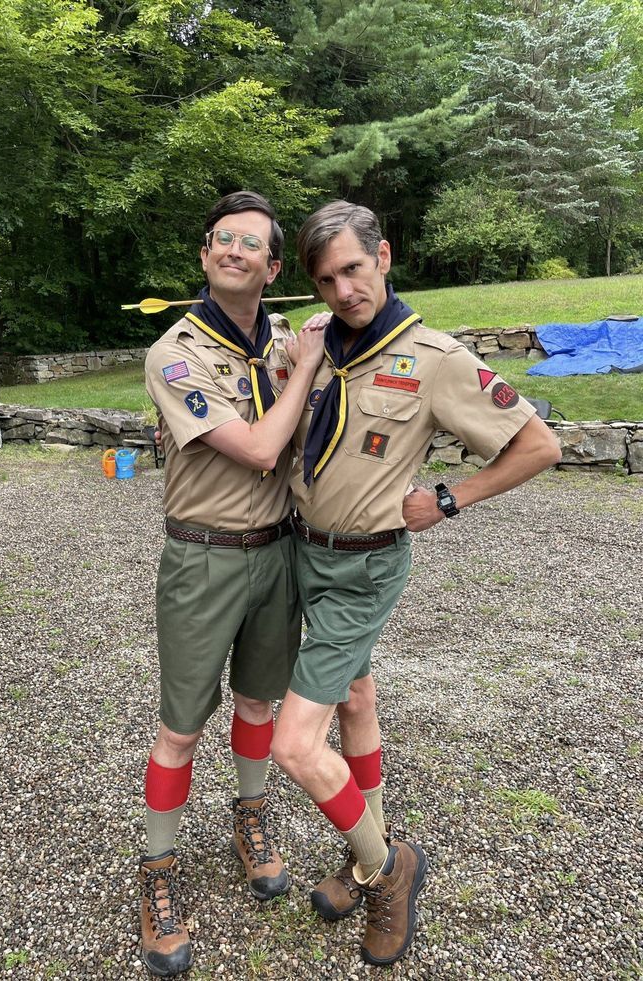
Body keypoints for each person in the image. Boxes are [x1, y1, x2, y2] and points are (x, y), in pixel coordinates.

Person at [270, 201, 562, 967]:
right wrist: (290, 366)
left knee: (295, 745)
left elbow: (539, 445)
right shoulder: (318, 349)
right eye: (327, 278)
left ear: (385, 256)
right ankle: (370, 841)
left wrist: (447, 498)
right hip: (306, 554)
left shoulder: (435, 357)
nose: (342, 290)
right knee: (355, 698)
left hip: (364, 567)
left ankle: (387, 869)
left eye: (354, 269)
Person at [141, 191, 324, 977]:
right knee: (181, 726)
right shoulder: (174, 353)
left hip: (277, 551)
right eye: (222, 238)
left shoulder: (285, 336)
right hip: (203, 557)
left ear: (273, 266)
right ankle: (157, 870)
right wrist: (310, 366)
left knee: (258, 702)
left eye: (251, 242)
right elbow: (255, 448)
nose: (234, 249)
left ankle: (251, 816)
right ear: (207, 255)